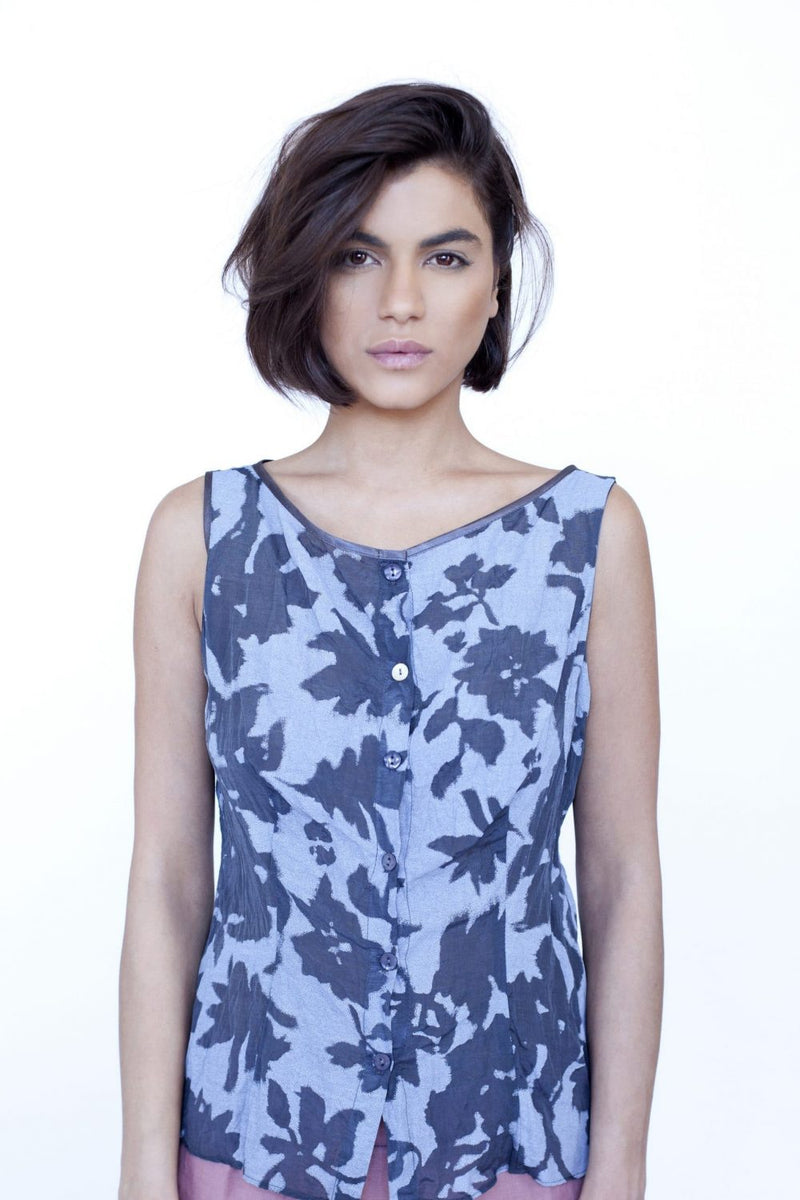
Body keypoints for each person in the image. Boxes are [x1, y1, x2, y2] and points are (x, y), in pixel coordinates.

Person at [118, 81, 662, 1200]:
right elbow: (169, 879)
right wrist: (138, 1168)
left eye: (445, 257)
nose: (401, 301)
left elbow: (619, 878)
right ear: (305, 274)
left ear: (495, 284)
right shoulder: (202, 537)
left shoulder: (589, 538)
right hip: (252, 1141)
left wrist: (620, 1171)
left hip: (511, 1142)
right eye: (357, 256)